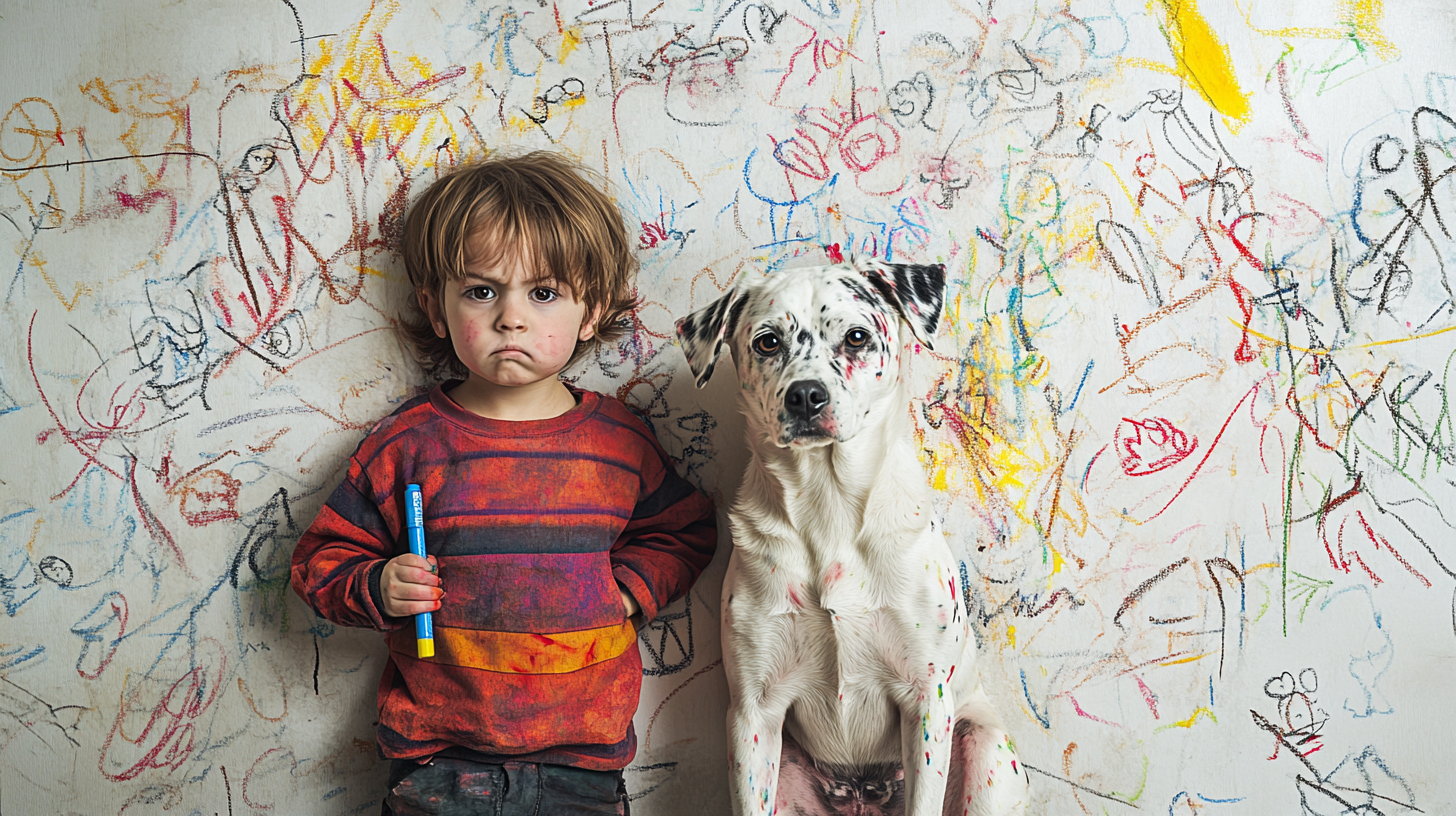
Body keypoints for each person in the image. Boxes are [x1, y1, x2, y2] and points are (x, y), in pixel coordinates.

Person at [290, 151, 718, 815]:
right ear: (436, 309)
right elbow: (319, 563)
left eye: (543, 293)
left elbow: (684, 530)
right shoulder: (407, 445)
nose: (510, 318)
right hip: (439, 760)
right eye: (482, 291)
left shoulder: (619, 443)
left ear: (590, 309)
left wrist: (626, 591)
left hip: (582, 761)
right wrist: (377, 585)